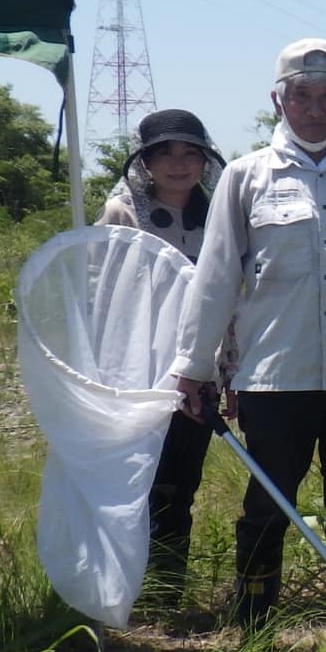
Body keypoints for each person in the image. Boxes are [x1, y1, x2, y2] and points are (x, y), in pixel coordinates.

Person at [170, 39, 326, 627]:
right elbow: (215, 278)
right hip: (273, 375)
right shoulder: (245, 177)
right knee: (268, 501)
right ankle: (254, 619)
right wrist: (195, 366)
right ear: (277, 100)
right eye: (302, 95)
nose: (315, 109)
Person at [97, 108, 229, 599]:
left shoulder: (219, 217)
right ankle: (117, 587)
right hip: (134, 374)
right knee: (131, 483)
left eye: (190, 152)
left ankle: (164, 592)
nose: (178, 164)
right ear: (145, 162)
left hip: (198, 373)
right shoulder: (121, 213)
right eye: (165, 153)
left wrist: (227, 370)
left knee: (178, 483)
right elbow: (99, 293)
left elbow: (231, 300)